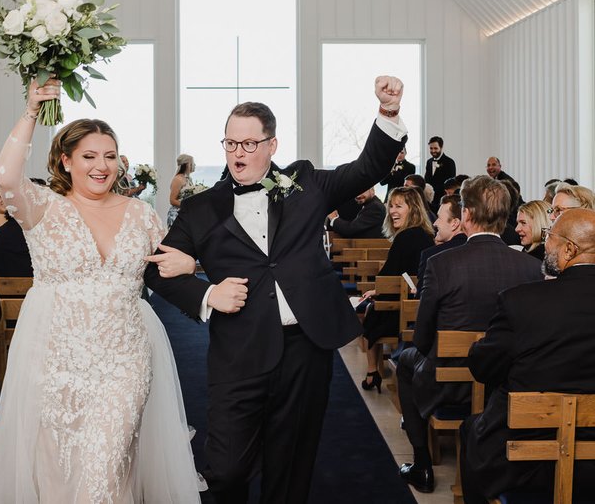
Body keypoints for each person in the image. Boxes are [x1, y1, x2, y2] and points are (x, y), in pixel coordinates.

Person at [145, 76, 407, 503]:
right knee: (227, 470)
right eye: (231, 144)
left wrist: (389, 113)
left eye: (249, 144)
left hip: (305, 346)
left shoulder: (305, 184)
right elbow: (157, 271)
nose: (238, 154)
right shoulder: (201, 207)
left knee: (291, 465)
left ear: (272, 145)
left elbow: (366, 169)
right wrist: (207, 294)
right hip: (239, 348)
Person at [0, 79, 203, 502]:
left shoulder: (141, 215)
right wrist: (32, 111)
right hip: (55, 358)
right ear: (65, 160)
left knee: (107, 466)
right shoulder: (42, 208)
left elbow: (166, 271)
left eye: (109, 156)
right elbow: (7, 177)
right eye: (88, 156)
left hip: (125, 358)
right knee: (57, 468)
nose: (101, 166)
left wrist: (193, 264)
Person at [459, 210, 595, 504]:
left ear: (569, 249)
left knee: (471, 429)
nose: (546, 243)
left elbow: (484, 367)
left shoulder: (521, 301)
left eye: (551, 236)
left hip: (529, 462)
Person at [395, 175, 542, 493]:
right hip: (504, 384)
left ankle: (422, 464)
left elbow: (421, 339)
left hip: (450, 384)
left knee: (407, 362)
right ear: (504, 218)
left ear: (467, 215)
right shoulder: (531, 268)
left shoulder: (441, 263)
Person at [355, 186, 435, 392]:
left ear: (414, 209)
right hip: (421, 307)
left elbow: (388, 277)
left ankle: (373, 372)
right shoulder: (427, 234)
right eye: (391, 206)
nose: (392, 211)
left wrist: (376, 290)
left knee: (370, 311)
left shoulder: (405, 237)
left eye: (399, 206)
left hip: (404, 310)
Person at [416, 194, 467, 283]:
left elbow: (423, 296)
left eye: (439, 217)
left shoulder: (431, 256)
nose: (435, 223)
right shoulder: (482, 252)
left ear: (454, 223)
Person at [423, 136, 456, 210]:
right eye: (431, 148)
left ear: (441, 147)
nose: (433, 151)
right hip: (429, 201)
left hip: (442, 200)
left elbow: (450, 184)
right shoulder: (429, 162)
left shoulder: (449, 162)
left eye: (435, 148)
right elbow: (427, 179)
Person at [167, 153, 195, 227]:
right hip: (177, 215)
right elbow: (172, 200)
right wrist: (187, 206)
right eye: (191, 163)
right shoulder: (177, 179)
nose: (194, 165)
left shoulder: (188, 179)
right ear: (186, 165)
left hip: (186, 214)